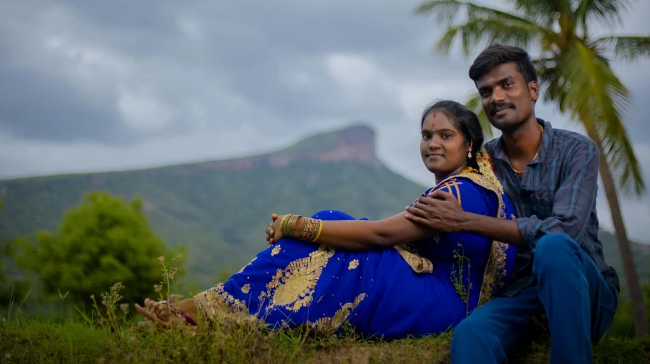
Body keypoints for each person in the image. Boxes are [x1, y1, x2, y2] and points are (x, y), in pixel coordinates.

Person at [136, 100, 518, 338]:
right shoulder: (464, 186)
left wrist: (298, 225)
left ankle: (204, 311)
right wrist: (307, 227)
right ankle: (208, 309)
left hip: (443, 303)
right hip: (432, 292)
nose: (433, 143)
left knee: (333, 231)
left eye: (445, 135)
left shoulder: (461, 191)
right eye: (426, 134)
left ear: (469, 145)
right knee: (331, 228)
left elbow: (383, 234)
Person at [405, 45, 619, 363]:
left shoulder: (576, 150)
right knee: (471, 334)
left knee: (553, 247)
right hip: (521, 294)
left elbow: (564, 230)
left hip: (582, 288)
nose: (496, 97)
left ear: (532, 90)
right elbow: (442, 208)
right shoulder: (480, 161)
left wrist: (465, 220)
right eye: (486, 91)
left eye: (507, 84)